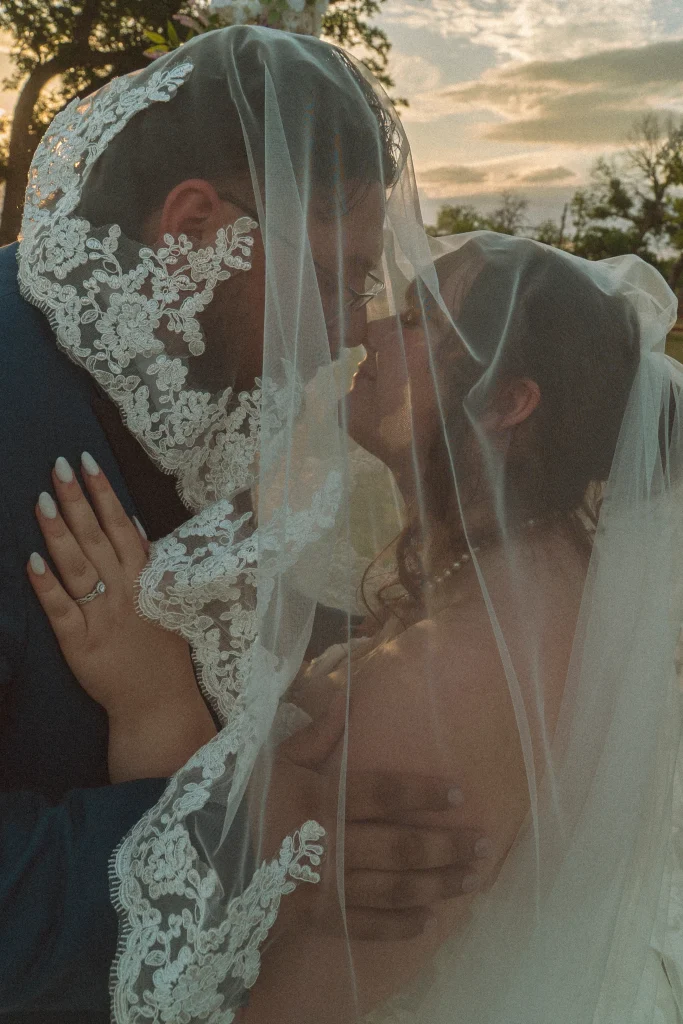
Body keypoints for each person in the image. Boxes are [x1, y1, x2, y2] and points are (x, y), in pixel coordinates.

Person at [31, 229, 683, 1023]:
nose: (365, 330)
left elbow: (245, 1005)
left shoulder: (457, 674)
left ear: (508, 401)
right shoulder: (515, 579)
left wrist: (155, 702)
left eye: (416, 321)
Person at [0, 27, 483, 1023]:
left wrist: (334, 689)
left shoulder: (182, 385)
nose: (352, 329)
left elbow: (203, 606)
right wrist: (260, 849)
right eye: (339, 277)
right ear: (192, 230)